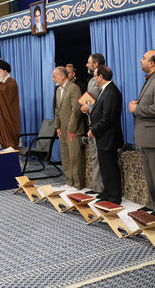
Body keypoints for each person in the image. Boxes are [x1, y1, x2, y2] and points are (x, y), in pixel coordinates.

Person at [129, 50, 155, 217]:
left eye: (144, 58)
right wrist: (138, 103)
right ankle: (152, 203)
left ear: (152, 63)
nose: (141, 60)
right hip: (145, 136)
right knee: (150, 173)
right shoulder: (151, 79)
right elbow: (151, 102)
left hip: (153, 135)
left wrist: (137, 109)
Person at [87, 65, 124, 203]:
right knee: (104, 167)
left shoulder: (111, 92)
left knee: (110, 167)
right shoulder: (105, 90)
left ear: (101, 77)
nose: (94, 78)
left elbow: (107, 117)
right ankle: (107, 192)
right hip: (103, 136)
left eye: (95, 76)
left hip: (109, 136)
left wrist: (94, 130)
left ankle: (114, 196)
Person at [53, 66, 85, 189]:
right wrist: (58, 127)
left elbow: (76, 110)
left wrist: (71, 129)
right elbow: (57, 110)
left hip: (73, 130)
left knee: (74, 157)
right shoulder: (58, 90)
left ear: (62, 76)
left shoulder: (74, 88)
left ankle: (78, 185)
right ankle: (69, 182)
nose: (53, 78)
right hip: (63, 129)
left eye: (54, 76)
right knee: (65, 156)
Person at [81, 53, 106, 194]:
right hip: (91, 122)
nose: (86, 64)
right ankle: (97, 187)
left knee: (100, 157)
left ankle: (101, 188)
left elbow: (102, 104)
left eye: (88, 62)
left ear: (95, 65)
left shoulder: (104, 81)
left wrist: (88, 107)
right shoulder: (91, 81)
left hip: (99, 125)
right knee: (95, 156)